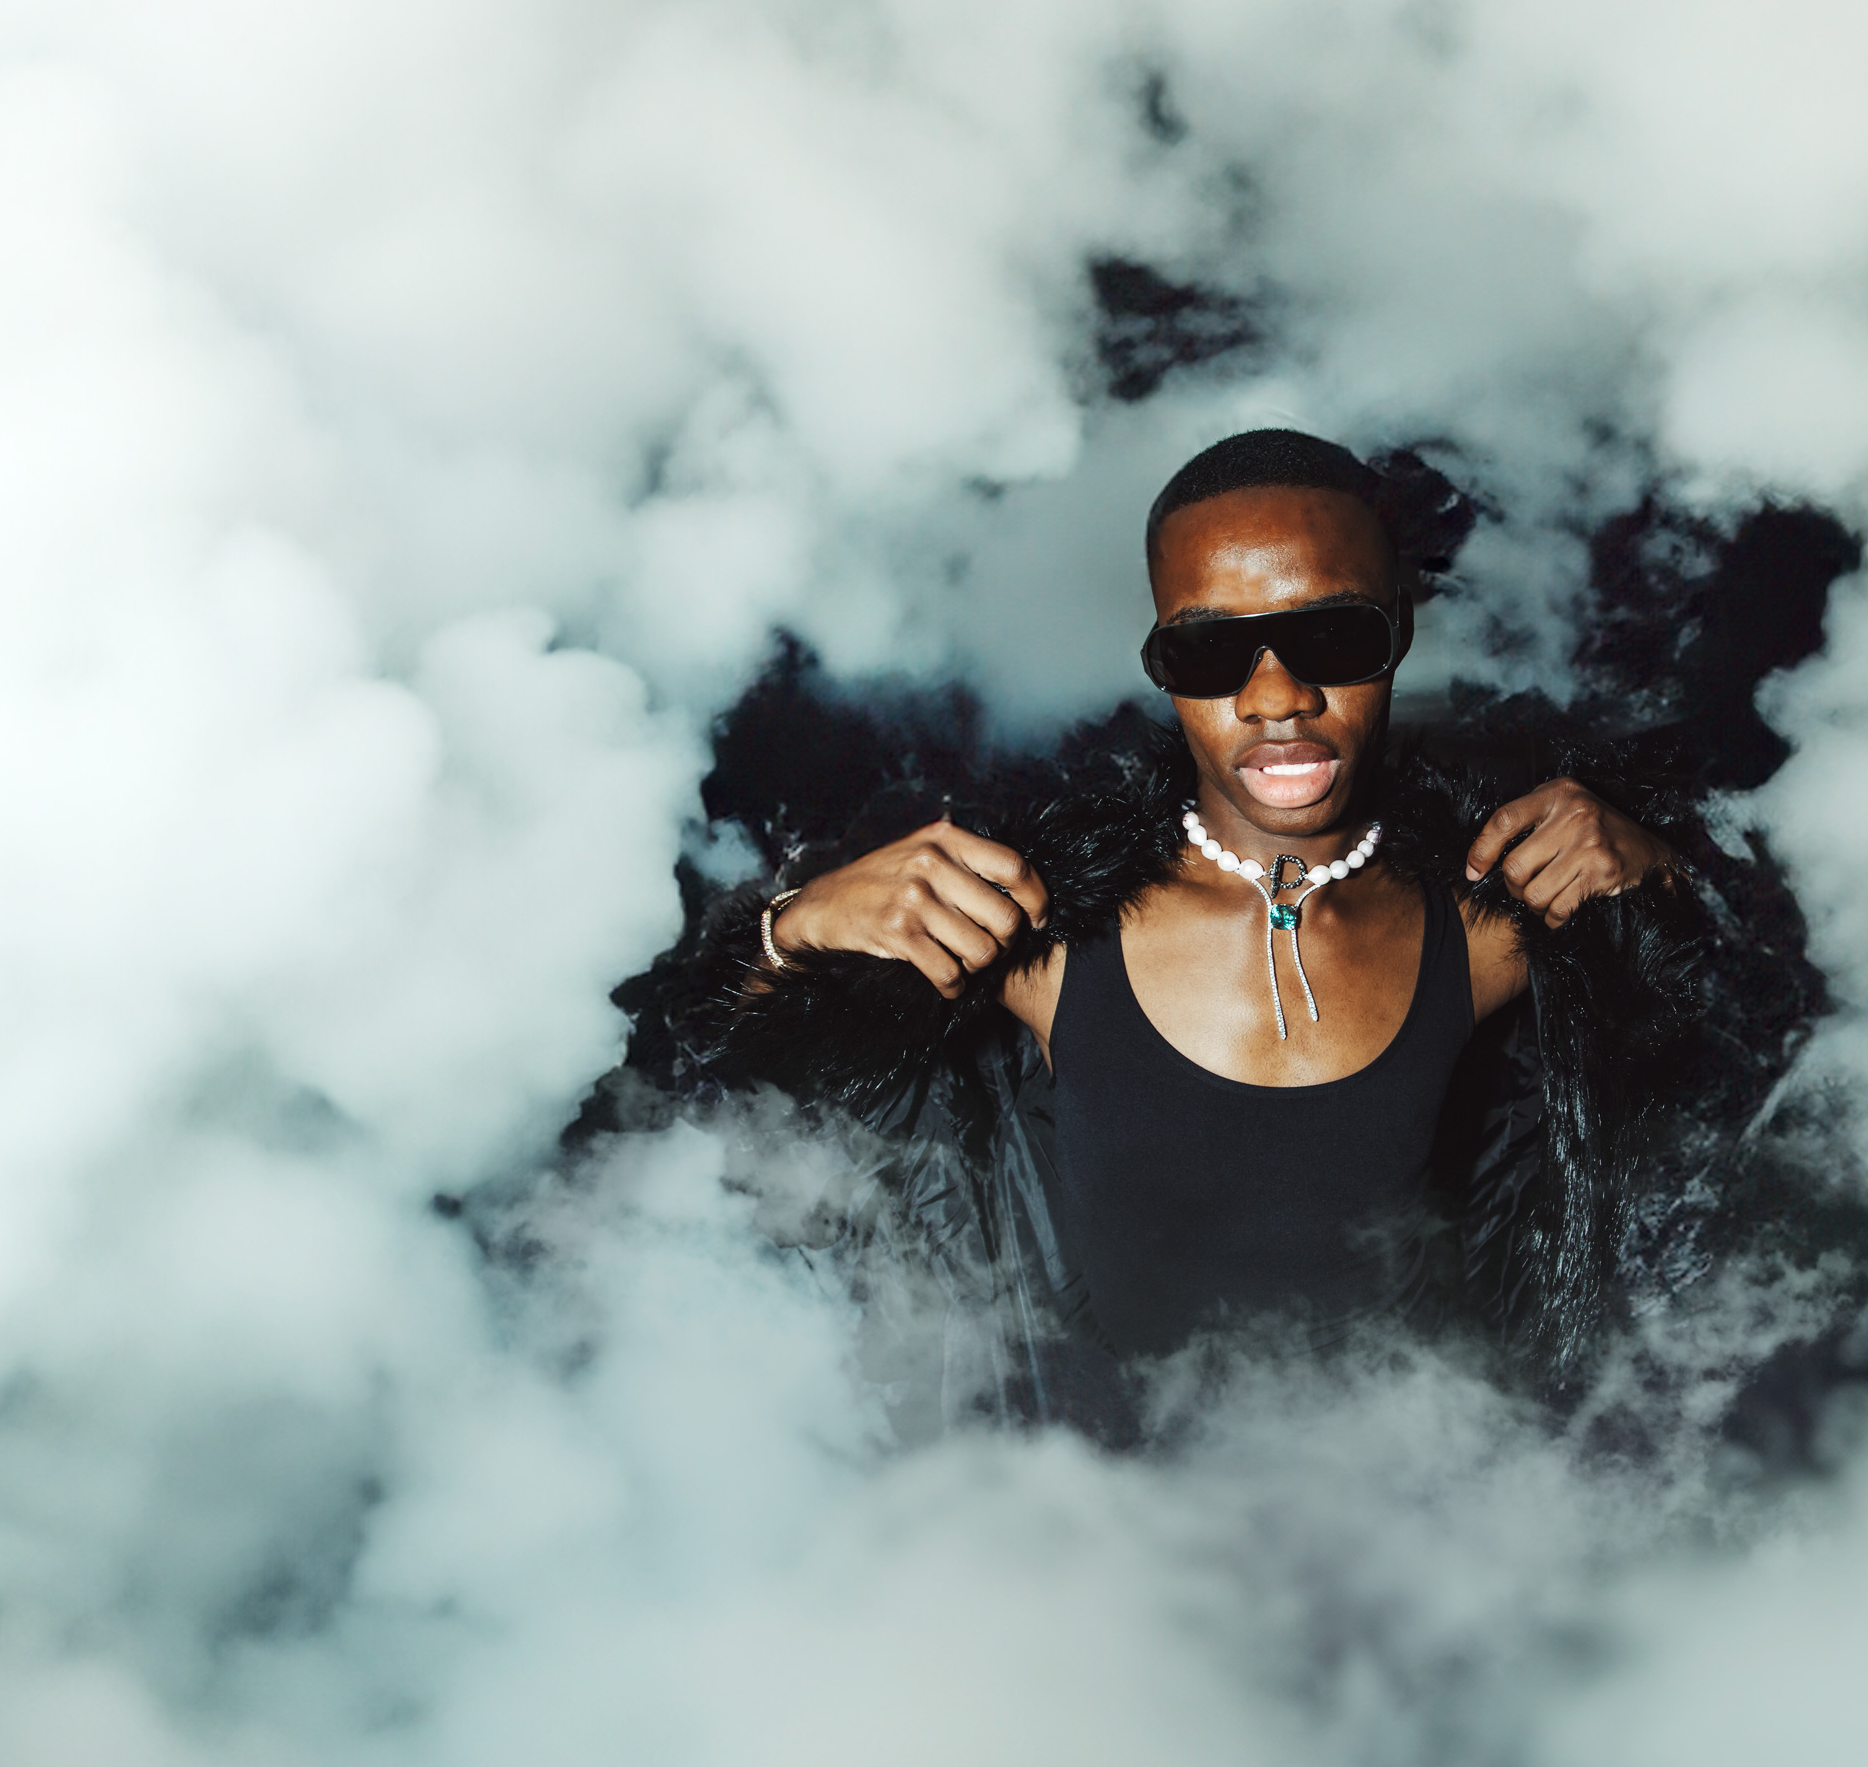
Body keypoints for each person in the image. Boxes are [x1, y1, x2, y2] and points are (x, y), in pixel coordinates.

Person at [583, 430, 1738, 1445]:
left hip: (1425, 1514)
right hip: (1106, 1550)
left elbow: (1737, 1093)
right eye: (1211, 651)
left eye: (1327, 633)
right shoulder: (1031, 934)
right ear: (1160, 669)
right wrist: (789, 933)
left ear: (1397, 629)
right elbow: (681, 1110)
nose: (1276, 695)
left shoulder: (1502, 922)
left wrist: (1666, 887)